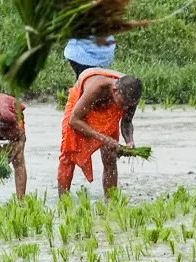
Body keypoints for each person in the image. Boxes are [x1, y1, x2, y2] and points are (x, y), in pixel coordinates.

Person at [58, 67, 143, 197]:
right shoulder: (96, 87)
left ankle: (111, 202)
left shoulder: (131, 95)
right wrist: (104, 139)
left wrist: (129, 141)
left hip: (108, 109)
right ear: (115, 91)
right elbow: (74, 120)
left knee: (110, 156)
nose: (126, 108)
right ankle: (63, 202)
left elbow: (126, 122)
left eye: (129, 105)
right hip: (81, 108)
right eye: (124, 104)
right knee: (68, 155)